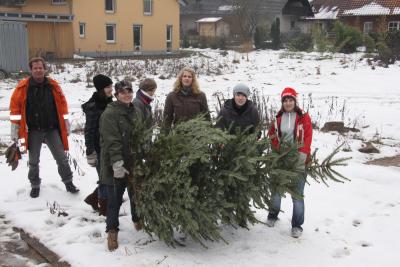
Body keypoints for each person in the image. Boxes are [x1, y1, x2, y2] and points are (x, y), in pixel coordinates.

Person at [9, 57, 79, 198]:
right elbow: (15, 109)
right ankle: (35, 185)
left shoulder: (53, 85)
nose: (38, 70)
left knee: (61, 159)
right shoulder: (23, 87)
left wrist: (65, 123)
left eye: (40, 67)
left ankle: (68, 182)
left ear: (44, 68)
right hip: (33, 130)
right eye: (35, 68)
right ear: (31, 70)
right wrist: (15, 129)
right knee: (34, 161)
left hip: (52, 128)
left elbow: (62, 105)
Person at [99, 80, 141, 251]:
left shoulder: (135, 110)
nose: (127, 95)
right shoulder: (110, 114)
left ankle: (138, 221)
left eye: (129, 91)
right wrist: (117, 163)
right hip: (113, 164)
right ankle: (112, 232)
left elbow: (140, 134)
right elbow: (112, 141)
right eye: (123, 92)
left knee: (135, 194)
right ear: (116, 95)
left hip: (133, 161)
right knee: (114, 200)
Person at [266, 87, 313, 238]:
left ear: (295, 101)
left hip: (299, 158)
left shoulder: (303, 117)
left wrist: (302, 155)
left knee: (297, 194)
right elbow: (272, 134)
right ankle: (273, 215)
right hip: (281, 158)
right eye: (285, 100)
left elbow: (308, 137)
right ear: (282, 102)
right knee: (276, 189)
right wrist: (278, 149)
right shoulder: (278, 117)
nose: (288, 103)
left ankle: (297, 225)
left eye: (290, 100)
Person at [82, 74, 113, 216]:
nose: (111, 89)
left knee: (107, 176)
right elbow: (89, 130)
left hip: (109, 146)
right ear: (101, 88)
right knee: (104, 177)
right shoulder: (93, 106)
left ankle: (93, 198)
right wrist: (90, 151)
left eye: (111, 86)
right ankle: (104, 207)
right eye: (108, 87)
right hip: (98, 147)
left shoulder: (109, 101)